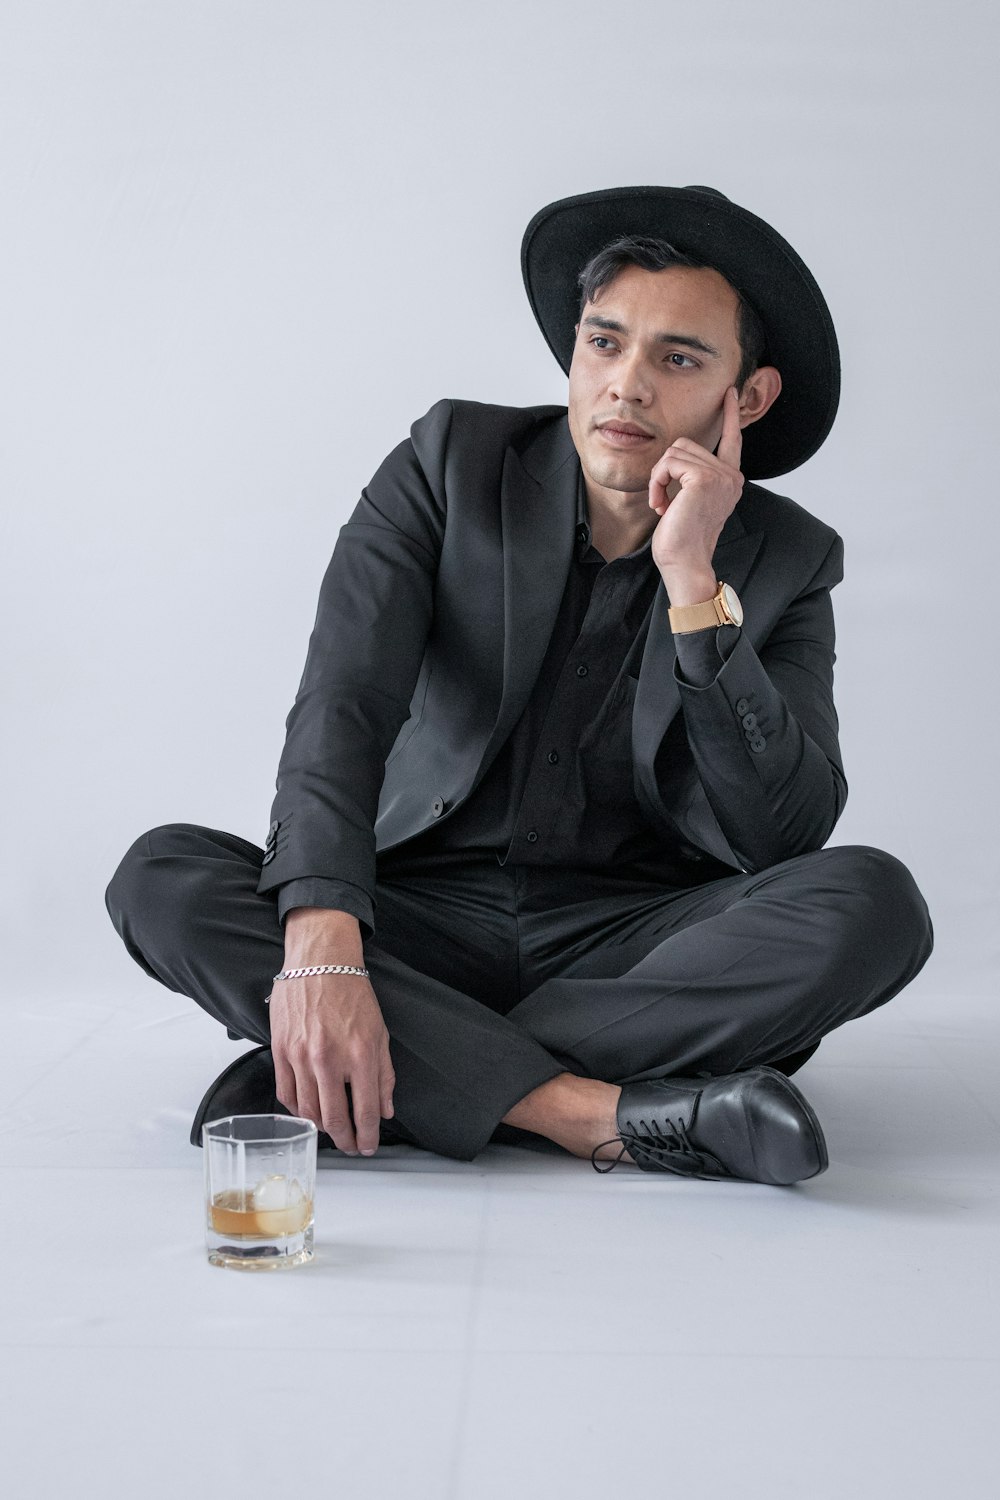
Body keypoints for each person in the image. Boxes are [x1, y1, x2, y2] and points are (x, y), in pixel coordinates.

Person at [105, 185, 933, 1185]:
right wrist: (325, 950)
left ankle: (391, 1076)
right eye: (604, 342)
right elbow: (342, 708)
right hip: (415, 913)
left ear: (745, 397)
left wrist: (692, 583)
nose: (625, 385)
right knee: (164, 876)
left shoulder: (786, 559)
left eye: (677, 358)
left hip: (633, 944)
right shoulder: (447, 463)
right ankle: (593, 1113)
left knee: (876, 904)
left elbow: (781, 836)